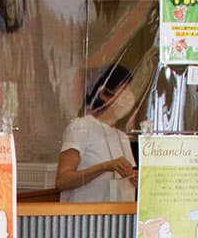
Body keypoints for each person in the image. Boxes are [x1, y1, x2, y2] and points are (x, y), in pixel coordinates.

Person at [55, 64, 138, 203]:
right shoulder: (81, 127)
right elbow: (62, 181)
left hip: (116, 214)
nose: (129, 95)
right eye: (123, 89)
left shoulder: (122, 137)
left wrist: (133, 178)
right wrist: (104, 167)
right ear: (104, 93)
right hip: (85, 214)